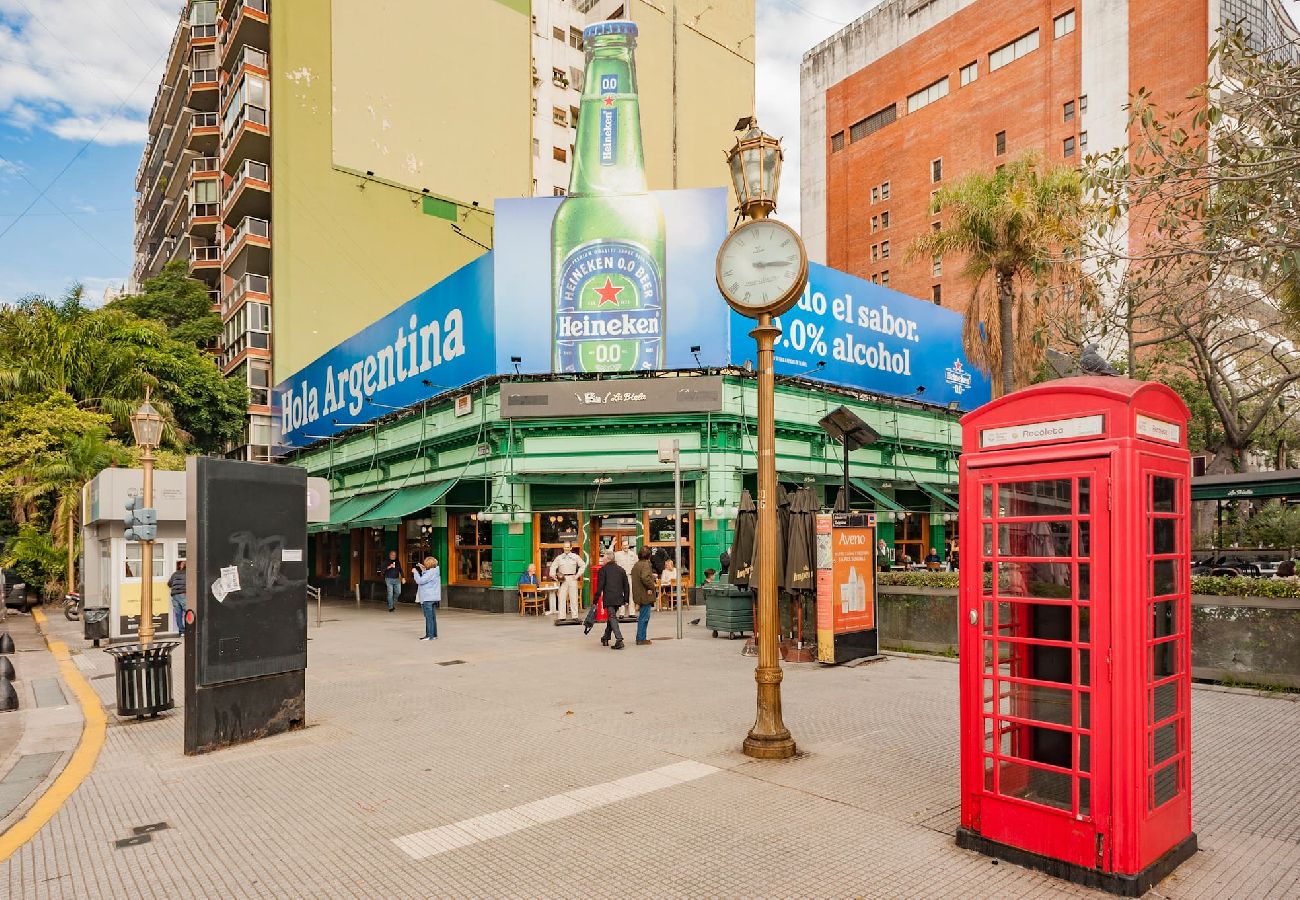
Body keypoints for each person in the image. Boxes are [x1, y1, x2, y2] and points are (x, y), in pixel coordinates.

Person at [593, 551, 628, 649]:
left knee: (612, 617)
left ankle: (619, 639)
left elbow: (599, 587)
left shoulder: (603, 570)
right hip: (618, 598)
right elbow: (626, 585)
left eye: (603, 558)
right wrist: (626, 599)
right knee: (611, 617)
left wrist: (595, 600)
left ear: (608, 559)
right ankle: (606, 637)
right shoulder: (621, 570)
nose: (602, 559)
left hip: (609, 598)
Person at [548, 541, 586, 619]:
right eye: (565, 547)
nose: (566, 548)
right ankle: (562, 617)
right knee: (561, 598)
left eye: (568, 547)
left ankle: (575, 616)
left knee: (574, 598)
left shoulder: (575, 557)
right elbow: (553, 566)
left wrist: (577, 575)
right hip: (562, 579)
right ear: (563, 547)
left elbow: (583, 565)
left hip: (572, 578)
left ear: (571, 548)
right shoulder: (559, 557)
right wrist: (553, 574)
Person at [631, 546, 657, 645]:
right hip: (645, 594)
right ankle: (641, 638)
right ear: (649, 556)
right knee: (644, 617)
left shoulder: (636, 565)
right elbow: (645, 577)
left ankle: (641, 637)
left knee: (643, 616)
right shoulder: (646, 565)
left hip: (638, 593)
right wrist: (652, 586)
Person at [412, 556, 441, 641]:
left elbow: (420, 581)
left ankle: (429, 636)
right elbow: (427, 579)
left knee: (428, 617)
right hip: (433, 597)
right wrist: (424, 570)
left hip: (427, 597)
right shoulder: (435, 571)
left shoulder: (430, 572)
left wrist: (415, 573)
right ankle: (434, 635)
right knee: (432, 617)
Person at [168, 560, 187, 636]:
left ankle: (182, 632)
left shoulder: (175, 574)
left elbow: (169, 584)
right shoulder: (189, 573)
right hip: (183, 594)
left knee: (178, 614)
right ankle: (189, 630)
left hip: (174, 595)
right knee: (188, 612)